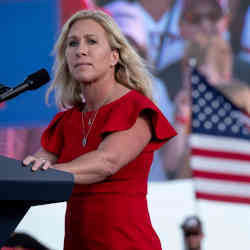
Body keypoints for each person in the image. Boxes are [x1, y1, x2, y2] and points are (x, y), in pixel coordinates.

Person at [22, 9, 177, 250]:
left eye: (91, 41)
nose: (80, 50)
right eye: (72, 43)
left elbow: (106, 162)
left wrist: (48, 173)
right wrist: (25, 174)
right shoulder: (67, 120)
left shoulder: (135, 107)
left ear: (114, 56)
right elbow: (36, 166)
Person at [105, 0, 175, 181]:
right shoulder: (82, 93)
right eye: (119, 43)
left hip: (155, 192)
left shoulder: (156, 88)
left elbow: (170, 156)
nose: (125, 53)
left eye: (131, 44)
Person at [164, 34, 234, 179]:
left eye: (203, 79)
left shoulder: (237, 112)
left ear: (225, 77)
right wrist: (180, 121)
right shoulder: (182, 111)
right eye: (189, 78)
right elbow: (170, 164)